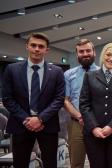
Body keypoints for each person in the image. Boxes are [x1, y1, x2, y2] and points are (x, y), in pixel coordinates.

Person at [2, 32, 65, 168]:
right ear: (27, 46)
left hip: (48, 125)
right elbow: (7, 98)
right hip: (20, 124)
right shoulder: (12, 69)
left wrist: (40, 119)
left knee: (50, 164)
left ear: (46, 50)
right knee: (20, 164)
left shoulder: (57, 71)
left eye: (41, 46)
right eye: (33, 45)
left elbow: (59, 99)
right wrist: (26, 119)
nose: (37, 49)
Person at [79, 42, 112, 168]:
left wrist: (111, 127)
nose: (111, 59)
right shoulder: (90, 76)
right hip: (93, 134)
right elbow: (84, 104)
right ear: (103, 55)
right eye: (108, 54)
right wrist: (94, 127)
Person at [64, 39, 99, 168]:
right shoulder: (68, 74)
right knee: (76, 163)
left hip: (97, 123)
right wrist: (80, 116)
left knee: (98, 162)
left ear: (94, 52)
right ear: (77, 54)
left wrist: (90, 118)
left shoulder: (103, 73)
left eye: (88, 50)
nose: (85, 54)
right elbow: (65, 100)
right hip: (76, 124)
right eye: (81, 51)